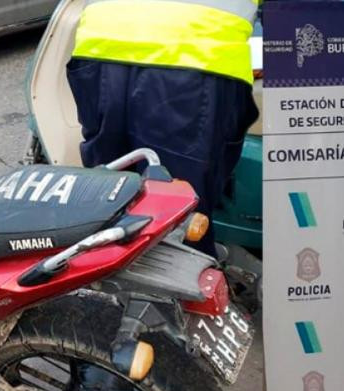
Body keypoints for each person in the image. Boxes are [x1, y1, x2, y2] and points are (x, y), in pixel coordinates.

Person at [67, 0, 260, 256]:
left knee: (108, 195)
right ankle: (182, 289)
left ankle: (105, 283)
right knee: (178, 209)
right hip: (193, 55)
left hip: (99, 45)